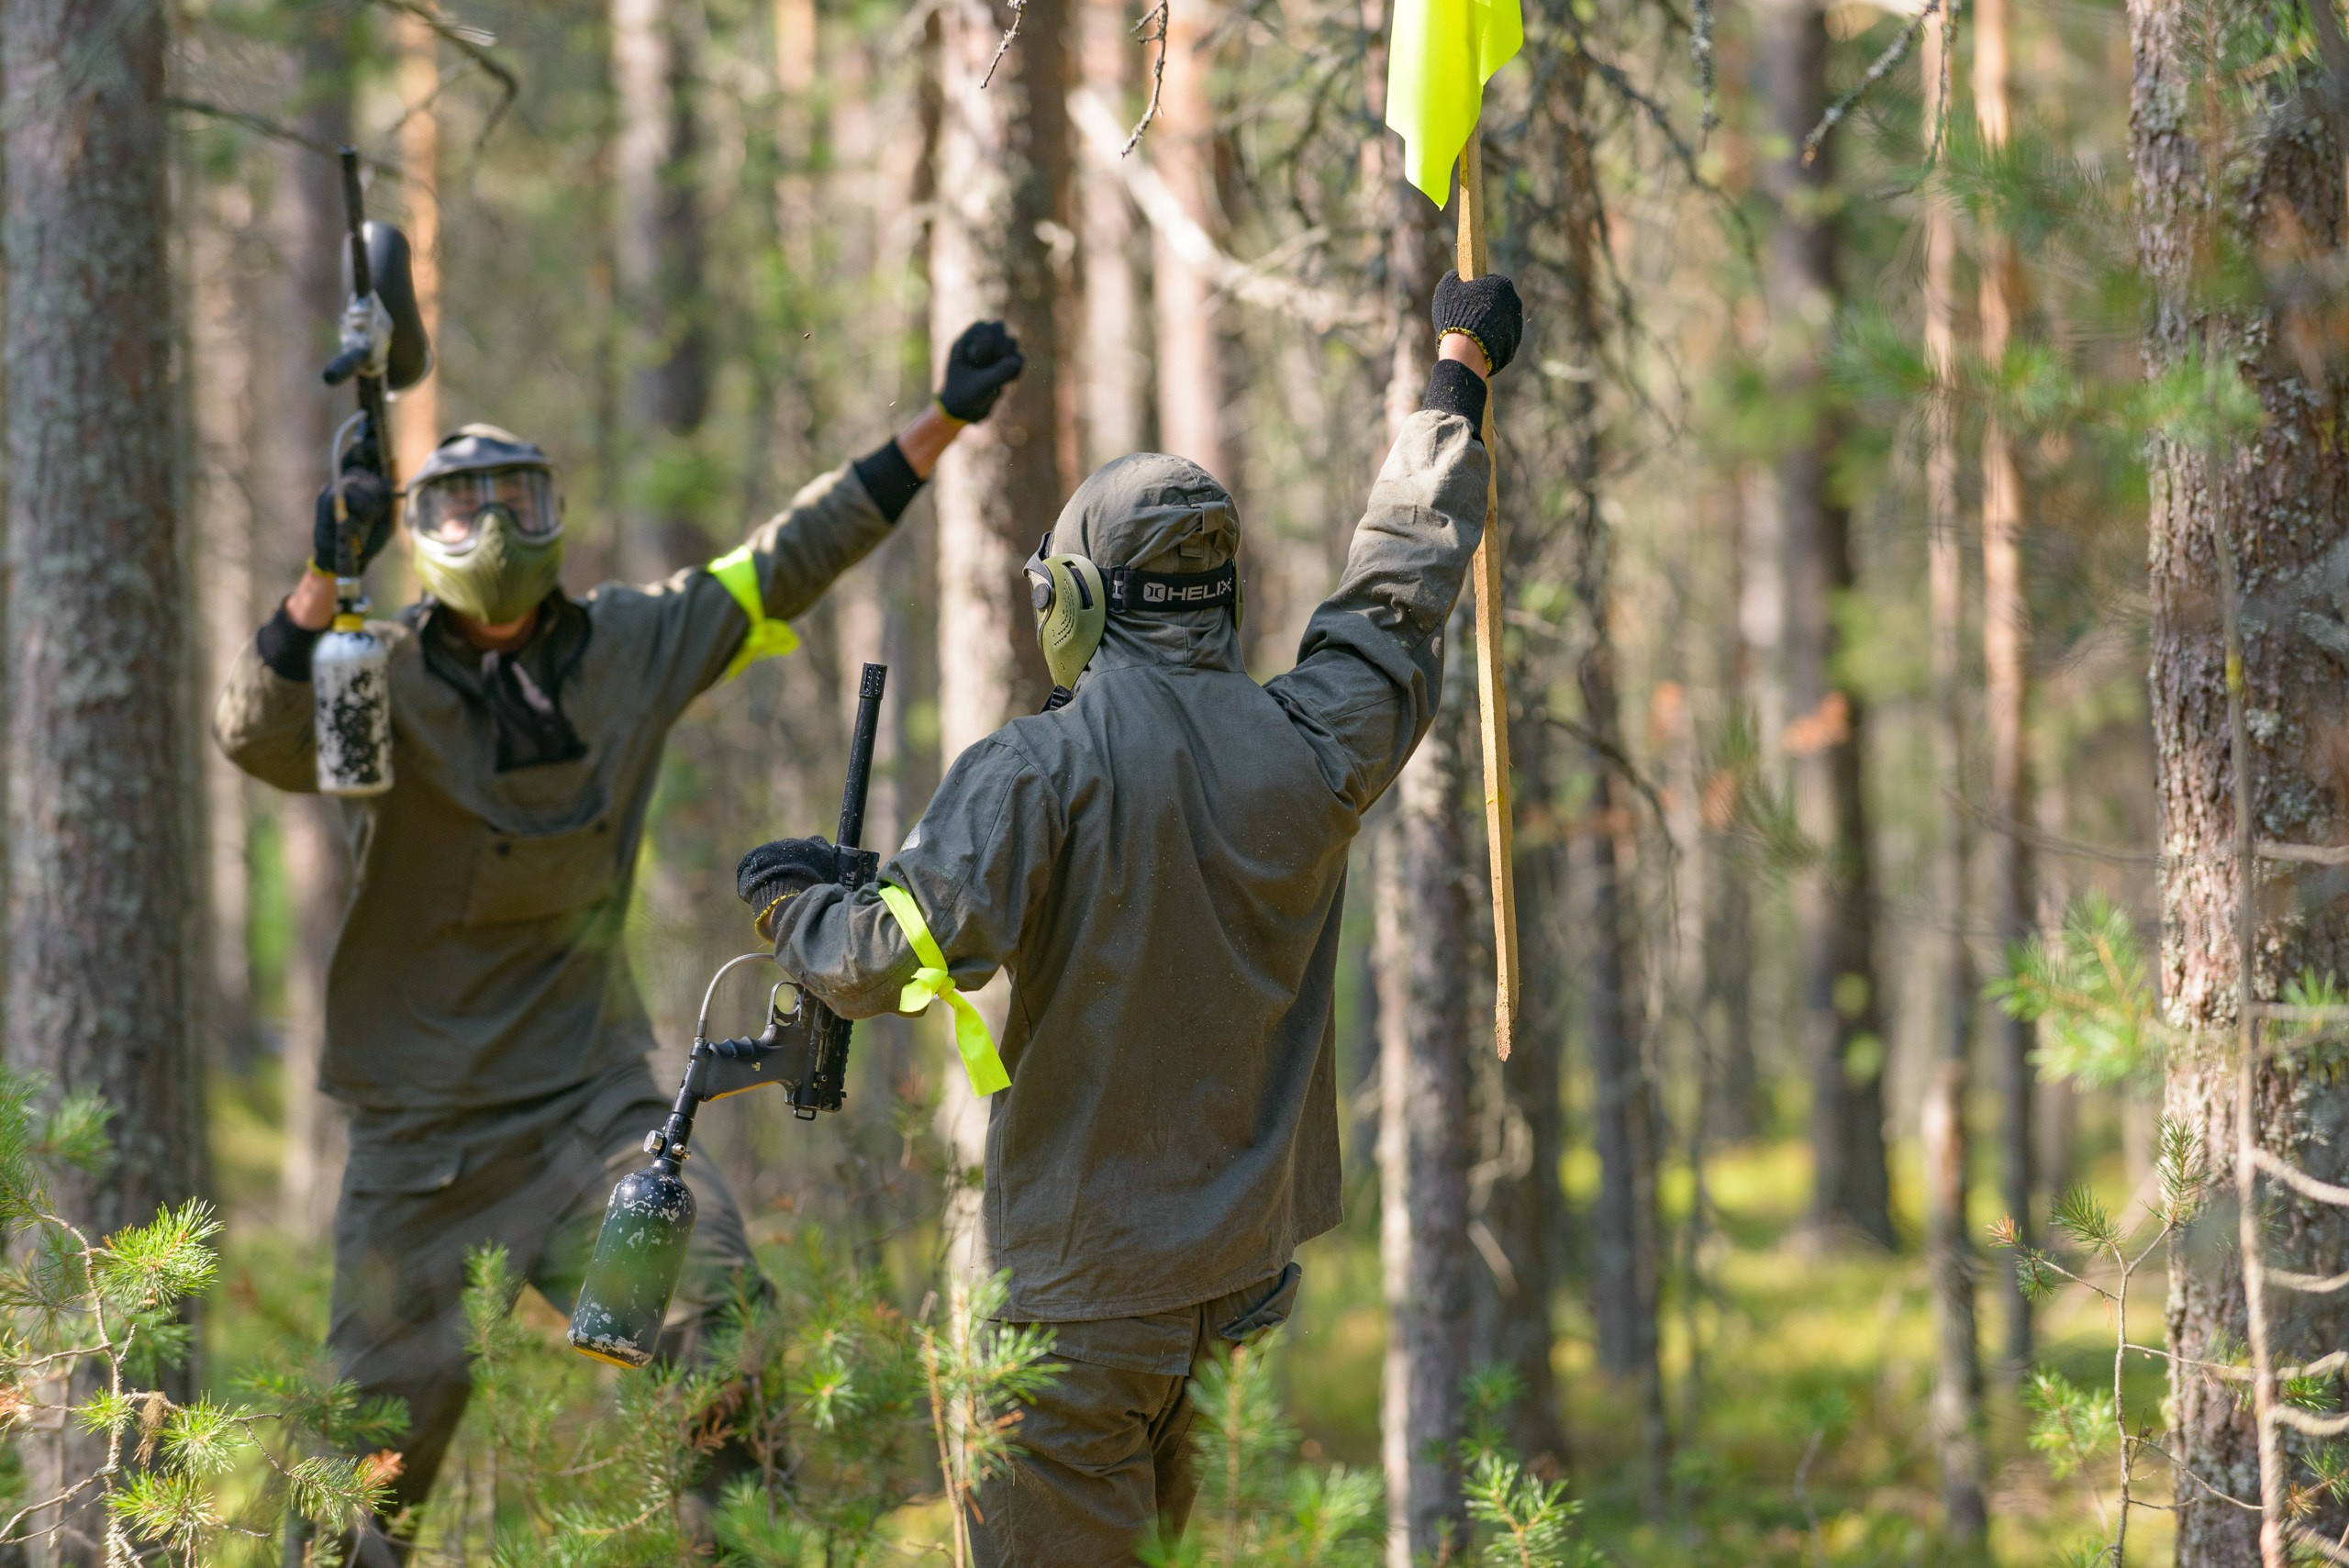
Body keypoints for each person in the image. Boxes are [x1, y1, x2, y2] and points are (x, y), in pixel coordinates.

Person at [734, 272, 1525, 1564]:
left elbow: (884, 957)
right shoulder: (1313, 747)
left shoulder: (1038, 771)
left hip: (1075, 1314)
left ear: (1079, 603)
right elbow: (1394, 603)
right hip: (1234, 1308)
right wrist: (1458, 383)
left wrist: (792, 902)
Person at [214, 322, 1026, 1561]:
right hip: (420, 1158)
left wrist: (942, 420)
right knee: (355, 1485)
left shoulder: (631, 647)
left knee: (719, 1329)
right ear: (420, 536)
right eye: (459, 506)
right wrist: (324, 576)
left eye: (517, 499)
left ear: (554, 515)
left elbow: (783, 560)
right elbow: (251, 733)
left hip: (591, 1129)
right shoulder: (372, 673)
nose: (492, 529)